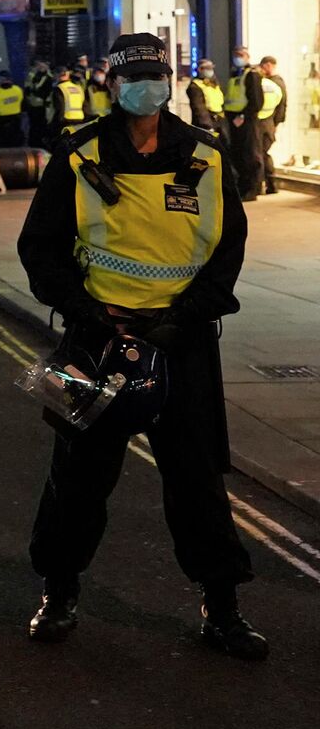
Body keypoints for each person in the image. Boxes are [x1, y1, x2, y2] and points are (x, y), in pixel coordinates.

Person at [15, 33, 266, 660]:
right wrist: (87, 312)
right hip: (95, 339)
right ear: (112, 83)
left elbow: (226, 252)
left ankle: (223, 607)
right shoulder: (78, 156)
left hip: (183, 344)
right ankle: (58, 592)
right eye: (133, 75)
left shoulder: (205, 157)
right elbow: (40, 250)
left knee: (199, 481)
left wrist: (183, 319)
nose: (144, 86)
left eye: (155, 74)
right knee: (75, 480)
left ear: (169, 81)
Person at [224, 46, 265, 201]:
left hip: (247, 120)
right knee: (238, 154)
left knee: (250, 155)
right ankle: (242, 187)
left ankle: (252, 189)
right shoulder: (236, 74)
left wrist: (243, 115)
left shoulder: (252, 75)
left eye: (240, 55)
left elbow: (256, 101)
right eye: (236, 55)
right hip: (234, 121)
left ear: (247, 56)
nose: (237, 58)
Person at [257, 56, 288, 195]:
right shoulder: (277, 82)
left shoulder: (274, 83)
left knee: (261, 153)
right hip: (269, 123)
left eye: (263, 67)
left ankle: (268, 183)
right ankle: (270, 184)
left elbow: (281, 105)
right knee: (263, 153)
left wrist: (276, 123)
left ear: (269, 65)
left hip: (266, 122)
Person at [185, 58, 226, 140]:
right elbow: (199, 108)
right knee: (207, 150)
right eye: (207, 68)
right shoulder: (195, 86)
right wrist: (207, 126)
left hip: (219, 122)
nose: (210, 70)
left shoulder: (214, 84)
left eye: (211, 68)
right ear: (200, 69)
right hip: (206, 124)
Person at [0, 69, 27, 148]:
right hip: (16, 120)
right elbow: (24, 105)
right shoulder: (18, 90)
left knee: (1, 148)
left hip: (0, 122)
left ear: (2, 79)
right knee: (15, 145)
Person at [24, 59, 57, 148]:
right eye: (39, 66)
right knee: (35, 127)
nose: (40, 67)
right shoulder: (32, 76)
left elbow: (46, 91)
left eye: (42, 66)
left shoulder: (49, 77)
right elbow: (27, 89)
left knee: (43, 127)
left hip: (44, 107)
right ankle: (35, 144)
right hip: (33, 106)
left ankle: (41, 144)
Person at [54, 65, 88, 137]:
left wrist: (56, 122)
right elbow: (84, 105)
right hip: (80, 119)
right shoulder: (78, 88)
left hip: (66, 120)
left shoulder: (60, 88)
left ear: (57, 75)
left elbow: (60, 107)